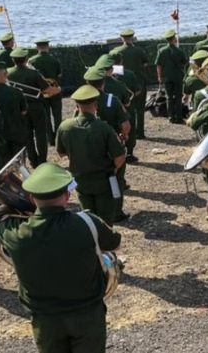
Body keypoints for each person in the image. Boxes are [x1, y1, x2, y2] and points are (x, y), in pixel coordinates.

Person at [0, 162, 120, 353]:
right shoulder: (87, 222)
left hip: (46, 322)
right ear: (66, 196)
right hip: (87, 317)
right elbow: (115, 242)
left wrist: (12, 207)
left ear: (30, 198)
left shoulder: (17, 232)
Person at [56, 85, 127, 226]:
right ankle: (105, 245)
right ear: (96, 105)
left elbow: (61, 153)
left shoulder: (65, 127)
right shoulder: (104, 128)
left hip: (80, 181)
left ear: (76, 105)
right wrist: (114, 168)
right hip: (103, 180)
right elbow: (119, 157)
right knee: (105, 221)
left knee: (88, 218)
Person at [83, 65, 132, 223]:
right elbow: (125, 125)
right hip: (112, 146)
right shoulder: (112, 100)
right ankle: (116, 212)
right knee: (116, 179)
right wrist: (124, 136)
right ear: (103, 83)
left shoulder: (83, 103)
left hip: (91, 147)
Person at [9, 46, 60, 168]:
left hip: (20, 107)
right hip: (36, 105)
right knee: (40, 133)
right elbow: (46, 89)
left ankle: (33, 161)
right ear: (26, 59)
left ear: (13, 61)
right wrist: (58, 89)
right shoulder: (33, 73)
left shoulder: (8, 73)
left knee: (28, 134)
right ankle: (42, 160)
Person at [29, 39, 63, 147]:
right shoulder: (54, 60)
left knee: (46, 116)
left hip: (41, 92)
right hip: (55, 90)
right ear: (48, 47)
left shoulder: (31, 61)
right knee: (57, 115)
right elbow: (59, 75)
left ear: (36, 48)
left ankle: (50, 139)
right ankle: (59, 138)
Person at [117, 29, 150, 141]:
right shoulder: (139, 50)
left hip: (123, 83)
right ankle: (140, 132)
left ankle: (126, 131)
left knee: (124, 107)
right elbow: (145, 63)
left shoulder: (117, 51)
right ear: (132, 38)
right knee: (140, 108)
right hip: (139, 81)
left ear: (122, 38)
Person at [0, 59, 28, 165]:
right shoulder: (17, 92)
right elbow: (24, 111)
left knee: (4, 167)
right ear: (5, 74)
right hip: (17, 132)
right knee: (20, 164)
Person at [155, 29, 187, 124]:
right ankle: (179, 116)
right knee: (178, 97)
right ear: (174, 39)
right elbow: (184, 62)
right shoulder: (179, 51)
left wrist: (159, 76)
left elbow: (158, 65)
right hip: (178, 77)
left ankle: (171, 116)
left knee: (169, 97)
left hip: (167, 77)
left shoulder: (161, 51)